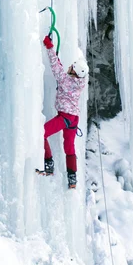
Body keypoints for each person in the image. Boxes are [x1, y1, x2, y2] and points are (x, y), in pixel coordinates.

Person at [36, 35, 88, 189]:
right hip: (73, 119)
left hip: (65, 117)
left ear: (74, 72)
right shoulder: (80, 81)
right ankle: (72, 179)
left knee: (41, 133)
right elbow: (62, 70)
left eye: (72, 67)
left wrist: (49, 47)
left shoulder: (66, 80)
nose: (70, 66)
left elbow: (56, 68)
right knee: (69, 148)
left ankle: (49, 164)